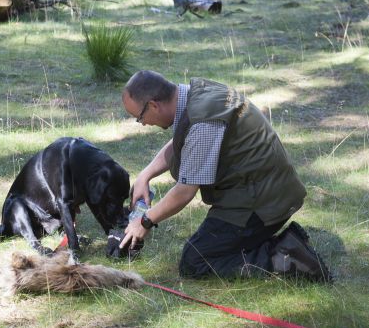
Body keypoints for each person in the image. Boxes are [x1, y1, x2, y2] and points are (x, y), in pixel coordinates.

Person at [120, 70, 332, 282]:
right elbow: (183, 141)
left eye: (139, 117)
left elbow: (184, 192)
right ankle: (279, 244)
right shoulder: (197, 94)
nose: (143, 124)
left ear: (154, 105)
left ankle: (290, 256)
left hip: (262, 202)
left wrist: (145, 221)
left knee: (195, 261)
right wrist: (144, 176)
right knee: (209, 249)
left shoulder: (202, 121)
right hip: (264, 189)